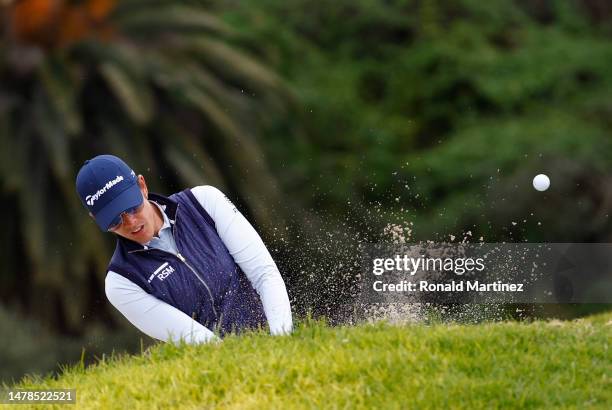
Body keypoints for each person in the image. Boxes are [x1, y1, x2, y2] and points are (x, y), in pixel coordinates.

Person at [75, 154, 293, 344]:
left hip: (272, 337)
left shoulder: (204, 202)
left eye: (132, 207)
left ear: (142, 186)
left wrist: (280, 343)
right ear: (95, 219)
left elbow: (264, 275)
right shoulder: (121, 282)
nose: (131, 223)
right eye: (114, 221)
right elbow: (197, 340)